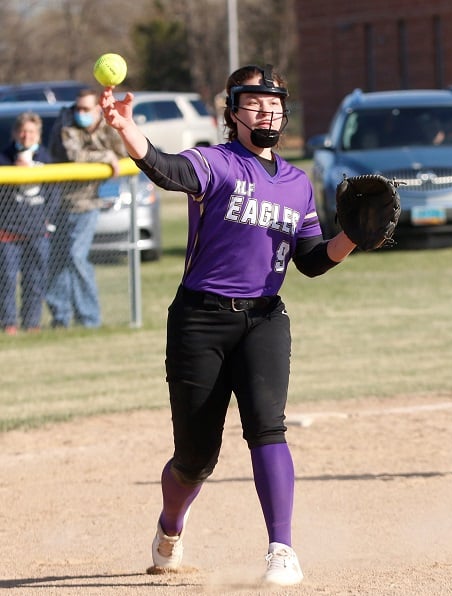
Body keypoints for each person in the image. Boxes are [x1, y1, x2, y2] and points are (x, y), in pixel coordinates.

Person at [99, 64, 356, 586]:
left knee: (267, 427)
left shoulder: (297, 183)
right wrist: (127, 129)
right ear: (233, 112)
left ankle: (281, 548)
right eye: (254, 103)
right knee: (195, 458)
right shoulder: (216, 162)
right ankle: (170, 526)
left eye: (274, 104)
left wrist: (352, 237)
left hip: (264, 318)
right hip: (199, 320)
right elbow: (166, 169)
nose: (266, 113)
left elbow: (310, 259)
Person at [45, 88, 126, 328]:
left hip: (88, 202)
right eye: (77, 108)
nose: (80, 113)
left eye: (85, 109)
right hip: (58, 202)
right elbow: (75, 154)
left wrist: (111, 154)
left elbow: (123, 152)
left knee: (76, 256)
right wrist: (106, 156)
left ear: (98, 110)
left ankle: (89, 318)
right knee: (58, 260)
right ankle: (61, 317)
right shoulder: (66, 125)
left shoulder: (108, 127)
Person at [0, 111, 60, 335]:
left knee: (35, 278)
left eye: (32, 131)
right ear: (15, 133)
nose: (27, 136)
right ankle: (8, 322)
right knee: (7, 279)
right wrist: (15, 172)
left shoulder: (46, 158)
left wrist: (47, 220)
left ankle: (32, 322)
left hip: (37, 231)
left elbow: (54, 193)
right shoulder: (4, 157)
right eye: (23, 131)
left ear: (38, 134)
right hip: (8, 232)